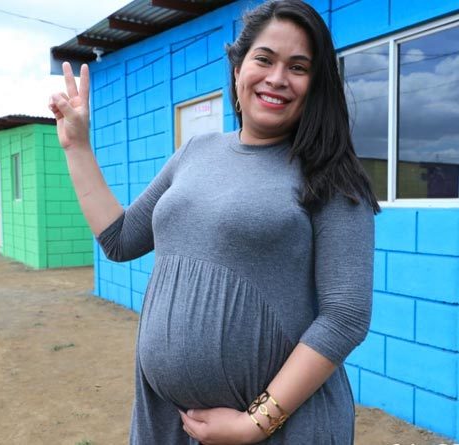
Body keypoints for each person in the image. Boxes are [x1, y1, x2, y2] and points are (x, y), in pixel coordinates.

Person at [49, 0, 380, 443]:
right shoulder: (194, 152)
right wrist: (77, 147)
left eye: (298, 67)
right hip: (167, 420)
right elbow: (120, 239)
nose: (278, 78)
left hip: (279, 431)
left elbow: (346, 317)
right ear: (238, 66)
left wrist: (254, 423)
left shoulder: (331, 174)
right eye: (264, 59)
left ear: (316, 84)